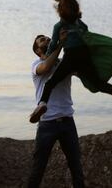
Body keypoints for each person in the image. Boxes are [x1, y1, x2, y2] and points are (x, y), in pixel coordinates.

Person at [29, 0, 112, 123]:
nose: (46, 39)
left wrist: (53, 49)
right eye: (41, 40)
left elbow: (53, 43)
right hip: (84, 55)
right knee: (97, 83)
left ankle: (42, 104)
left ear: (60, 13)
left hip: (70, 57)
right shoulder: (78, 23)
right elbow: (86, 32)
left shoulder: (59, 26)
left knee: (50, 83)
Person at [27, 31, 84, 188]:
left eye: (46, 38)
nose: (46, 39)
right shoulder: (36, 65)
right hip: (47, 123)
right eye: (41, 40)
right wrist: (60, 44)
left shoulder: (63, 63)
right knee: (38, 169)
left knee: (76, 168)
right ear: (38, 51)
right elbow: (46, 68)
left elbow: (81, 73)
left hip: (67, 121)